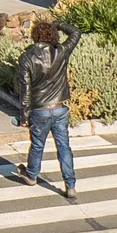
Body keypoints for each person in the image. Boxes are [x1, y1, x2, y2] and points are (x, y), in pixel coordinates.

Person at [13, 17, 82, 200]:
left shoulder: (26, 58)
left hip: (39, 109)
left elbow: (25, 90)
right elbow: (76, 32)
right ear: (53, 35)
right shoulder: (61, 51)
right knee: (64, 146)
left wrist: (24, 116)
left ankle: (32, 175)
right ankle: (70, 185)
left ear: (34, 36)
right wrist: (58, 23)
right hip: (60, 108)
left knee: (37, 145)